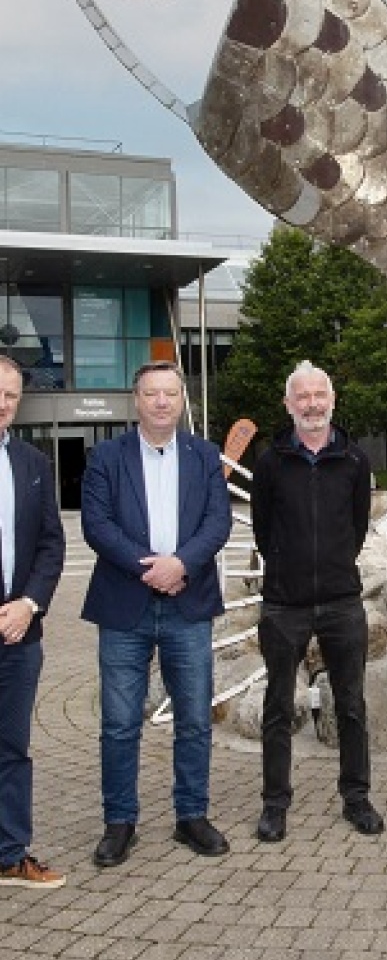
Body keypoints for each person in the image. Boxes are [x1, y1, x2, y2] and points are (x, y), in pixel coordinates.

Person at [82, 362, 233, 868]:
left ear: (181, 400)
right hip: (125, 604)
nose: (162, 402)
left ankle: (192, 816)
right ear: (137, 399)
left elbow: (218, 522)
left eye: (171, 393)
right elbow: (97, 525)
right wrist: (150, 568)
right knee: (120, 723)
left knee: (194, 719)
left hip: (188, 603)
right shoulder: (106, 456)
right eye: (152, 393)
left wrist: (181, 564)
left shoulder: (205, 455)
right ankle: (119, 822)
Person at [252, 360, 382, 841]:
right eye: (302, 397)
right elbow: (264, 529)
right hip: (284, 604)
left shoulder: (353, 458)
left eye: (319, 395)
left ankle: (357, 798)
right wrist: (287, 565)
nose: (312, 404)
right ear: (289, 405)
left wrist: (331, 566)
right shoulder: (270, 461)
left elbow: (357, 524)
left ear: (332, 400)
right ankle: (274, 804)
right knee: (278, 706)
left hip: (341, 600)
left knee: (350, 704)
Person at [0, 356, 66, 890]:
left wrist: (29, 604)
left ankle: (9, 854)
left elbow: (51, 543)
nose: (2, 403)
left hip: (21, 633)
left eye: (11, 395)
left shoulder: (33, 463)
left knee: (12, 750)